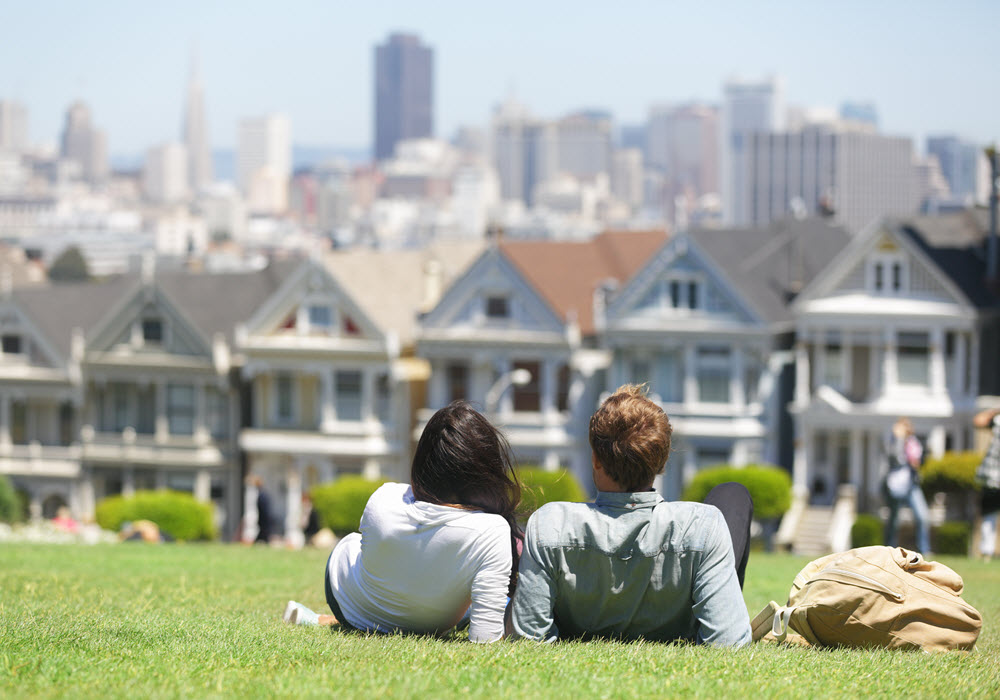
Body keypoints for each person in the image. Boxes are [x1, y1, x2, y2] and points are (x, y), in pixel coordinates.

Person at [510, 384, 753, 646]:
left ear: (595, 459)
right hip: (681, 622)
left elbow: (529, 636)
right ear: (661, 462)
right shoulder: (704, 524)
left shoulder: (550, 523)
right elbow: (729, 641)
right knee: (733, 495)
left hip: (576, 623)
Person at [283, 400, 521, 643]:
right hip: (434, 621)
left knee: (350, 546)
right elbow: (485, 638)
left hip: (355, 606)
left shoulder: (384, 497)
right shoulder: (493, 530)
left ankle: (331, 620)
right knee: (489, 595)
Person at [883, 417, 930, 554]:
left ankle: (924, 549)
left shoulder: (913, 443)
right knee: (894, 520)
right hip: (895, 486)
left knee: (922, 516)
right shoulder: (892, 442)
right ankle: (889, 549)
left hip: (911, 485)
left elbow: (918, 462)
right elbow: (895, 458)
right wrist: (899, 439)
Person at [974, 407, 1000, 561]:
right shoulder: (997, 421)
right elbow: (978, 421)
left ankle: (987, 552)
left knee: (989, 516)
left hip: (992, 476)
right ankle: (987, 552)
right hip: (993, 476)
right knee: (989, 515)